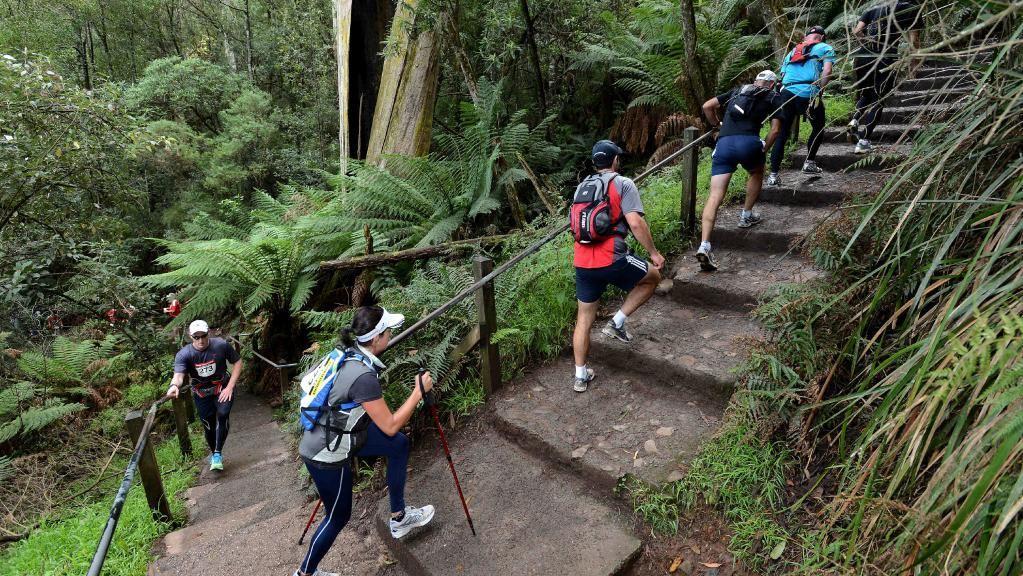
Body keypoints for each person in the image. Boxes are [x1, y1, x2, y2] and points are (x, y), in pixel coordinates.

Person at [294, 306, 435, 576]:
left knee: (398, 445)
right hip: (326, 452)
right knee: (338, 517)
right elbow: (390, 425)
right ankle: (305, 573)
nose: (392, 334)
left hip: (340, 434)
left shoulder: (352, 355)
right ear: (377, 337)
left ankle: (400, 518)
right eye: (388, 331)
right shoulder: (363, 377)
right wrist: (418, 393)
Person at [571, 140, 665, 393]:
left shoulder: (582, 186)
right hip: (612, 256)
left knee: (584, 318)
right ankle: (617, 322)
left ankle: (580, 376)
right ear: (614, 161)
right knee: (653, 277)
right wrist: (653, 253)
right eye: (618, 158)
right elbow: (635, 223)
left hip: (582, 260)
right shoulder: (623, 183)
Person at [697, 70, 785, 271]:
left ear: (756, 81)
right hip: (749, 142)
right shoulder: (773, 96)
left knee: (715, 195)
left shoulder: (738, 91)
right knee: (756, 172)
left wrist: (717, 125)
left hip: (724, 144)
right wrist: (764, 148)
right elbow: (775, 130)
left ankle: (704, 245)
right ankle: (746, 215)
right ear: (772, 84)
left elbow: (707, 106)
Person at [167, 319, 243, 471]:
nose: (200, 340)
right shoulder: (184, 354)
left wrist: (230, 387)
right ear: (190, 336)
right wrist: (174, 386)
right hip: (201, 393)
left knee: (222, 414)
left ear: (209, 333)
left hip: (222, 387)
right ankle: (214, 450)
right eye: (196, 337)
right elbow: (179, 374)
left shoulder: (220, 345)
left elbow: (238, 361)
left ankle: (217, 453)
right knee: (208, 425)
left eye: (203, 336)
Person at [849, 0, 925, 154]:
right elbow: (914, 39)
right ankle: (863, 141)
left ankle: (855, 119)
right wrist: (914, 62)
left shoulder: (874, 7)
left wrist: (868, 42)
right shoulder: (911, 8)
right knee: (880, 99)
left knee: (866, 93)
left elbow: (857, 31)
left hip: (864, 57)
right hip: (886, 57)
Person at [767, 25, 837, 186]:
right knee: (818, 127)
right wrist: (820, 90)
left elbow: (783, 74)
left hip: (786, 93)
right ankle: (809, 162)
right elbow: (827, 72)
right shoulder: (825, 47)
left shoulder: (793, 51)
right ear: (821, 38)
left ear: (806, 38)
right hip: (808, 92)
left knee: (782, 133)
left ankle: (773, 175)